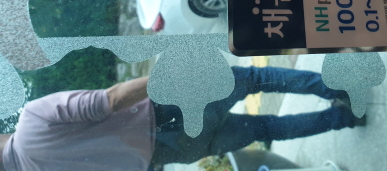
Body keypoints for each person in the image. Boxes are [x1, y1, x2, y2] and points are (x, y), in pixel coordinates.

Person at [0, 66, 365, 171]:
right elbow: (111, 99)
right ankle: (338, 88)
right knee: (254, 79)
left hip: (169, 152)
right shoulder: (32, 121)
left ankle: (345, 118)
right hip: (167, 110)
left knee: (266, 128)